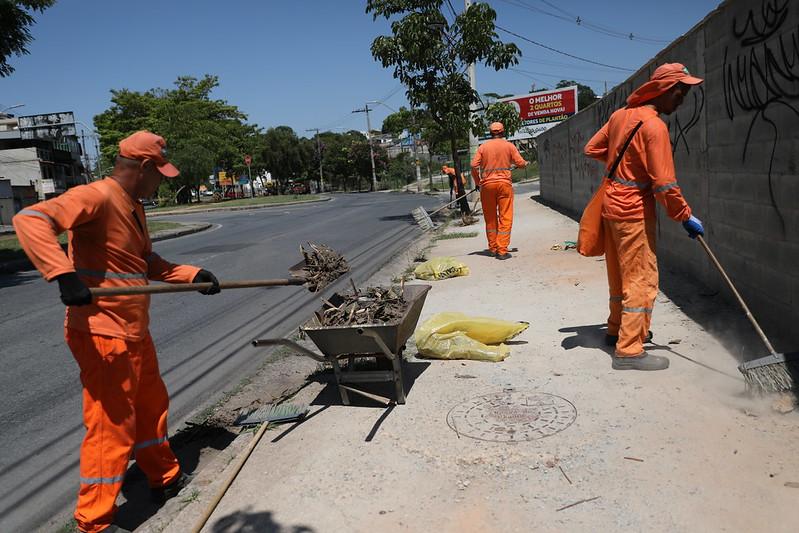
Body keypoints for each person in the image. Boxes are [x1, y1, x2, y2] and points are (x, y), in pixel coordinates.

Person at [12, 131, 221, 533]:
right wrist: (61, 274)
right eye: (159, 174)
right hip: (102, 334)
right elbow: (30, 219)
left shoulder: (133, 207)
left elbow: (144, 263)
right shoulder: (97, 196)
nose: (162, 181)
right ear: (143, 168)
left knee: (150, 406)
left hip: (133, 330)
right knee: (111, 426)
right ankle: (94, 521)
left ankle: (164, 476)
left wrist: (193, 275)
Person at [583, 63, 705, 371]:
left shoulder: (619, 116)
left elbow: (592, 148)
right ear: (664, 89)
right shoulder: (655, 127)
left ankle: (616, 330)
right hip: (633, 211)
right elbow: (665, 184)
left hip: (611, 208)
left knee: (619, 276)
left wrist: (619, 163)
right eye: (681, 91)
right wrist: (685, 216)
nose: (683, 98)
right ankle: (629, 349)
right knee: (641, 278)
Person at [470, 122, 529, 259]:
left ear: (490, 133)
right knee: (505, 217)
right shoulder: (509, 146)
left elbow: (473, 165)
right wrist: (525, 164)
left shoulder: (483, 147)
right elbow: (520, 163)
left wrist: (478, 182)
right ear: (503, 132)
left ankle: (493, 248)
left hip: (487, 186)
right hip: (504, 185)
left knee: (490, 218)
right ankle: (502, 250)